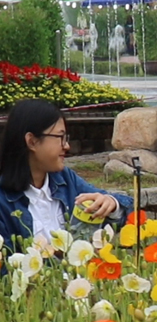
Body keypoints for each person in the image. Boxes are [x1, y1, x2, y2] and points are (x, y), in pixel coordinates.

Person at [0, 98, 131, 250]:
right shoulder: (4, 201)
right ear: (32, 141)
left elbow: (130, 211)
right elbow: (7, 268)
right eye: (60, 137)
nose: (67, 146)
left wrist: (112, 204)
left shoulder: (65, 179)